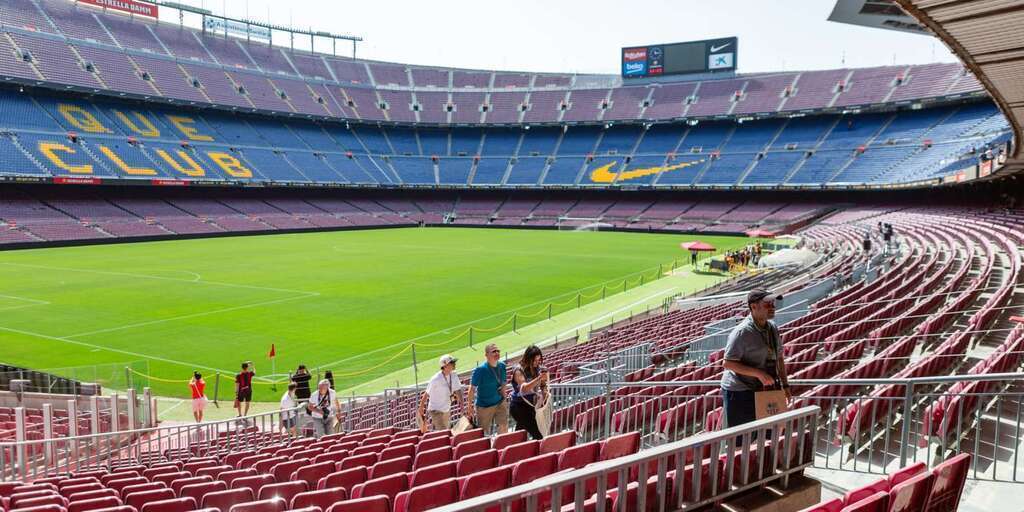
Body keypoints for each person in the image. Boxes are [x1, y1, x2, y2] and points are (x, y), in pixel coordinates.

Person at [720, 289, 791, 428]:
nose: (772, 307)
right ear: (753, 307)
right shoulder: (742, 332)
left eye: (773, 303)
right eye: (767, 304)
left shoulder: (772, 328)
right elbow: (727, 363)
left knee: (764, 432)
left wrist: (785, 385)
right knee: (741, 437)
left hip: (760, 389)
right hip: (739, 392)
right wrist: (758, 373)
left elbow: (779, 358)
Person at [468, 343, 509, 435]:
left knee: (503, 427)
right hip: (484, 406)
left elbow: (503, 382)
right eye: (494, 351)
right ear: (486, 355)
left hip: (500, 402)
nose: (497, 353)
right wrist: (469, 407)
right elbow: (472, 389)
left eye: (498, 351)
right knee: (484, 432)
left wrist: (504, 397)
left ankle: (501, 447)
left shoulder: (502, 366)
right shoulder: (480, 370)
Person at [509, 345, 549, 440]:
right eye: (535, 361)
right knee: (538, 434)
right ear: (528, 359)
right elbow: (524, 389)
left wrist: (544, 391)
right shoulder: (518, 370)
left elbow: (542, 385)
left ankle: (515, 449)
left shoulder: (537, 368)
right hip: (519, 406)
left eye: (539, 360)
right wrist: (538, 378)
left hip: (530, 405)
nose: (537, 363)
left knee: (520, 433)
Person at [420, 354, 468, 431]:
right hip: (435, 410)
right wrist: (421, 409)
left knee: (445, 432)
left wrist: (462, 406)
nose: (454, 364)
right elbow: (426, 393)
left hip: (446, 409)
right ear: (445, 366)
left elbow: (458, 390)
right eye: (452, 363)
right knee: (443, 432)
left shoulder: (454, 375)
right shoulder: (435, 379)